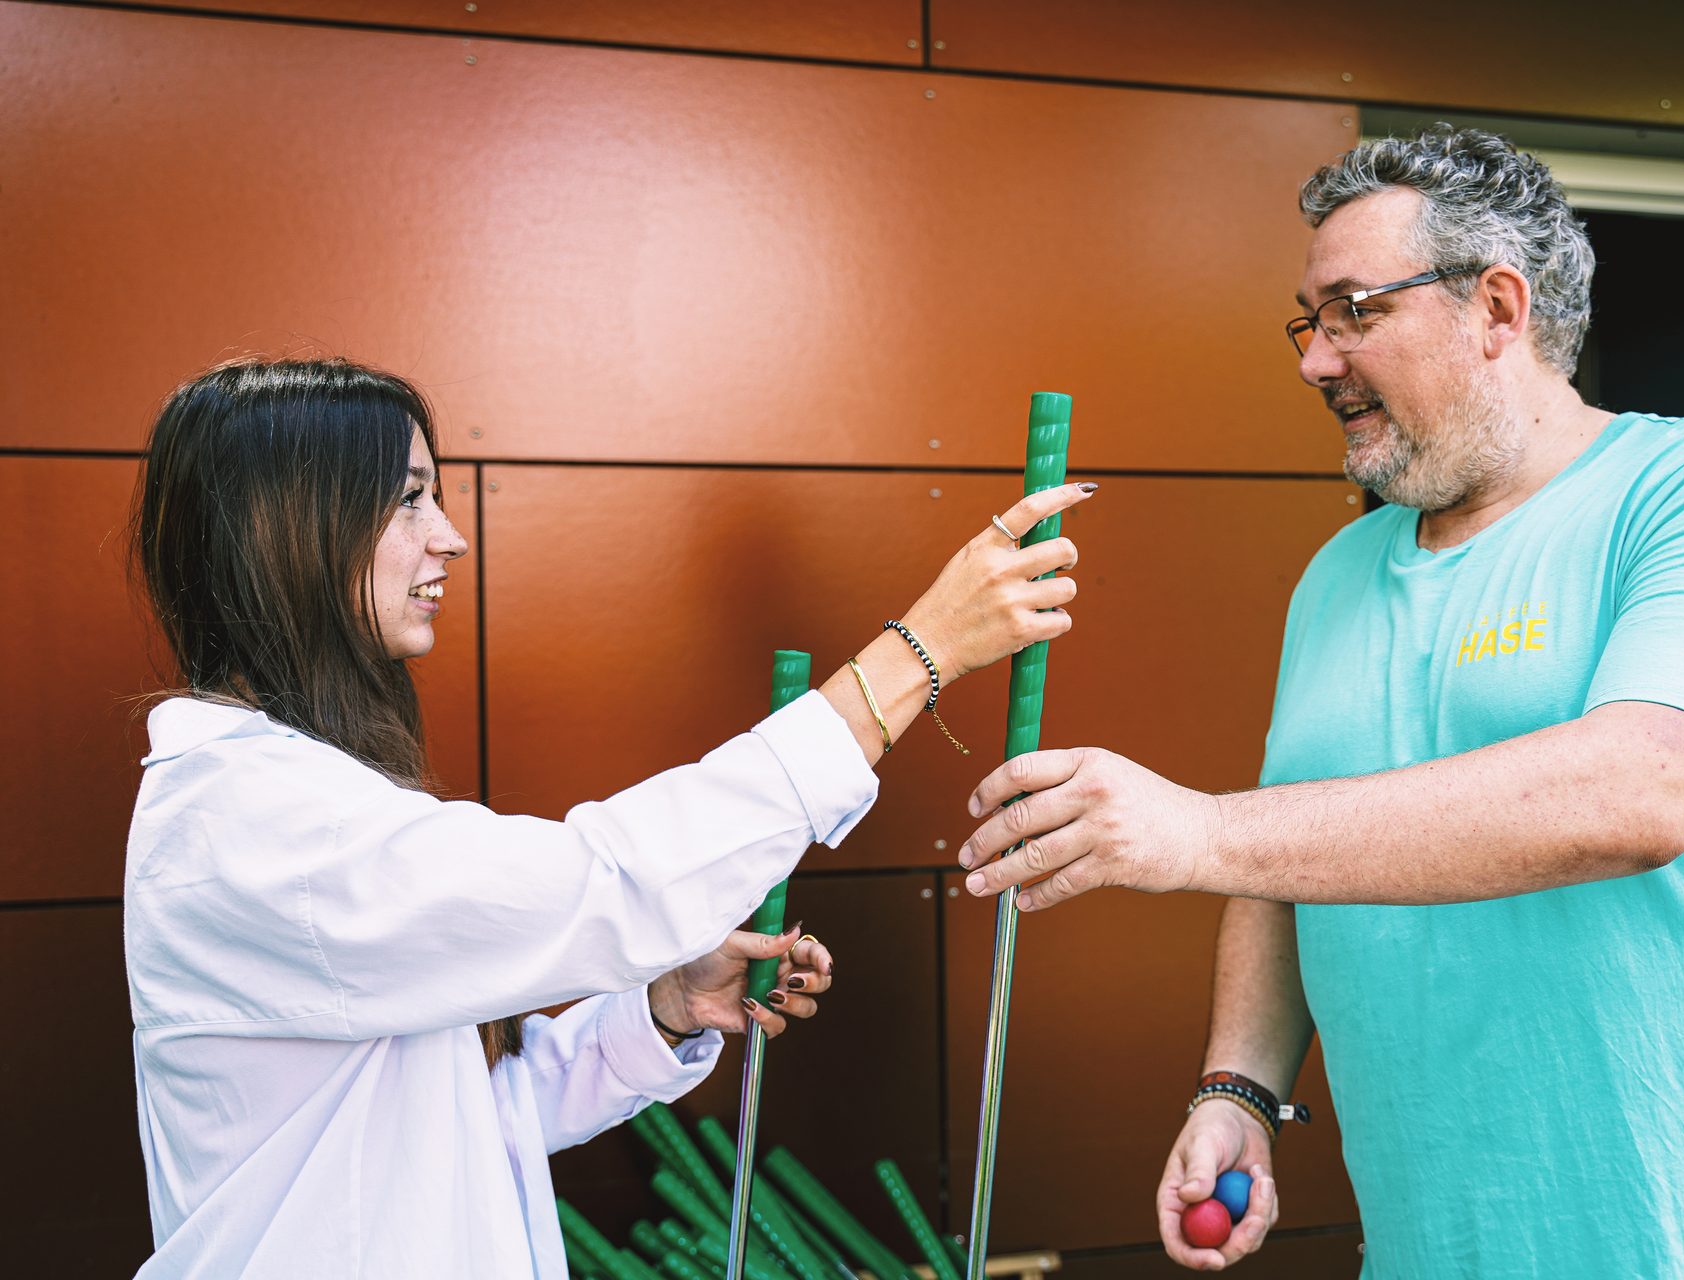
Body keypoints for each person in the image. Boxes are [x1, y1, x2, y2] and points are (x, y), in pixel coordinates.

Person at [953, 127, 1684, 1276]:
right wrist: (1240, 1084)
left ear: (1498, 309)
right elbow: (1284, 847)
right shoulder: (1338, 575)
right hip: (1435, 1241)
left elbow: (1644, 790)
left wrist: (1193, 829)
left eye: (1355, 310)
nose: (1314, 358)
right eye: (1310, 320)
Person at [126, 356, 1094, 1278]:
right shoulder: (256, 827)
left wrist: (660, 1009)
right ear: (285, 528)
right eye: (409, 496)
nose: (448, 535)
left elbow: (455, 1123)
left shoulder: (298, 799)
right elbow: (605, 883)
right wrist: (911, 657)